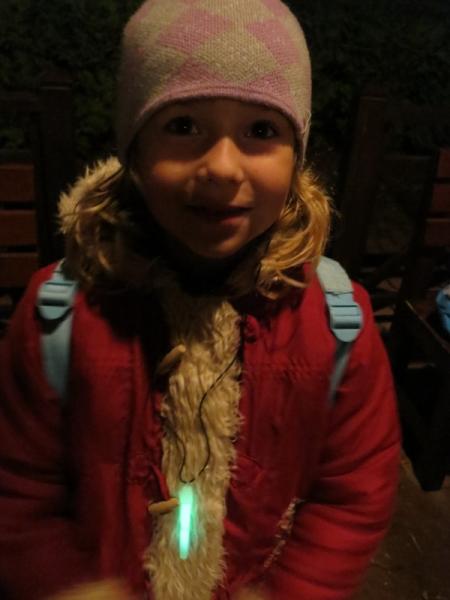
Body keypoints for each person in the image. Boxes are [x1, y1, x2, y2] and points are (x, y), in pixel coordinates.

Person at [0, 1, 401, 599]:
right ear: (134, 151)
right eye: (183, 125)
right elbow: (19, 488)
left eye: (261, 131)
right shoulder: (59, 313)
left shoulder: (338, 323)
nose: (222, 167)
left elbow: (353, 492)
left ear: (296, 157)